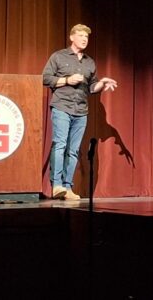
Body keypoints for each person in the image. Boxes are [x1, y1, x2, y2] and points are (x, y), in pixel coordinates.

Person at [43, 24, 117, 200]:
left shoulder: (89, 62)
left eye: (87, 37)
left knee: (74, 150)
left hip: (81, 110)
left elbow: (92, 87)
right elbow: (46, 78)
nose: (85, 39)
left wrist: (102, 83)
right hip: (62, 106)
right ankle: (57, 185)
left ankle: (68, 187)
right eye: (81, 35)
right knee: (60, 144)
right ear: (72, 37)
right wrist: (67, 80)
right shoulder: (59, 56)